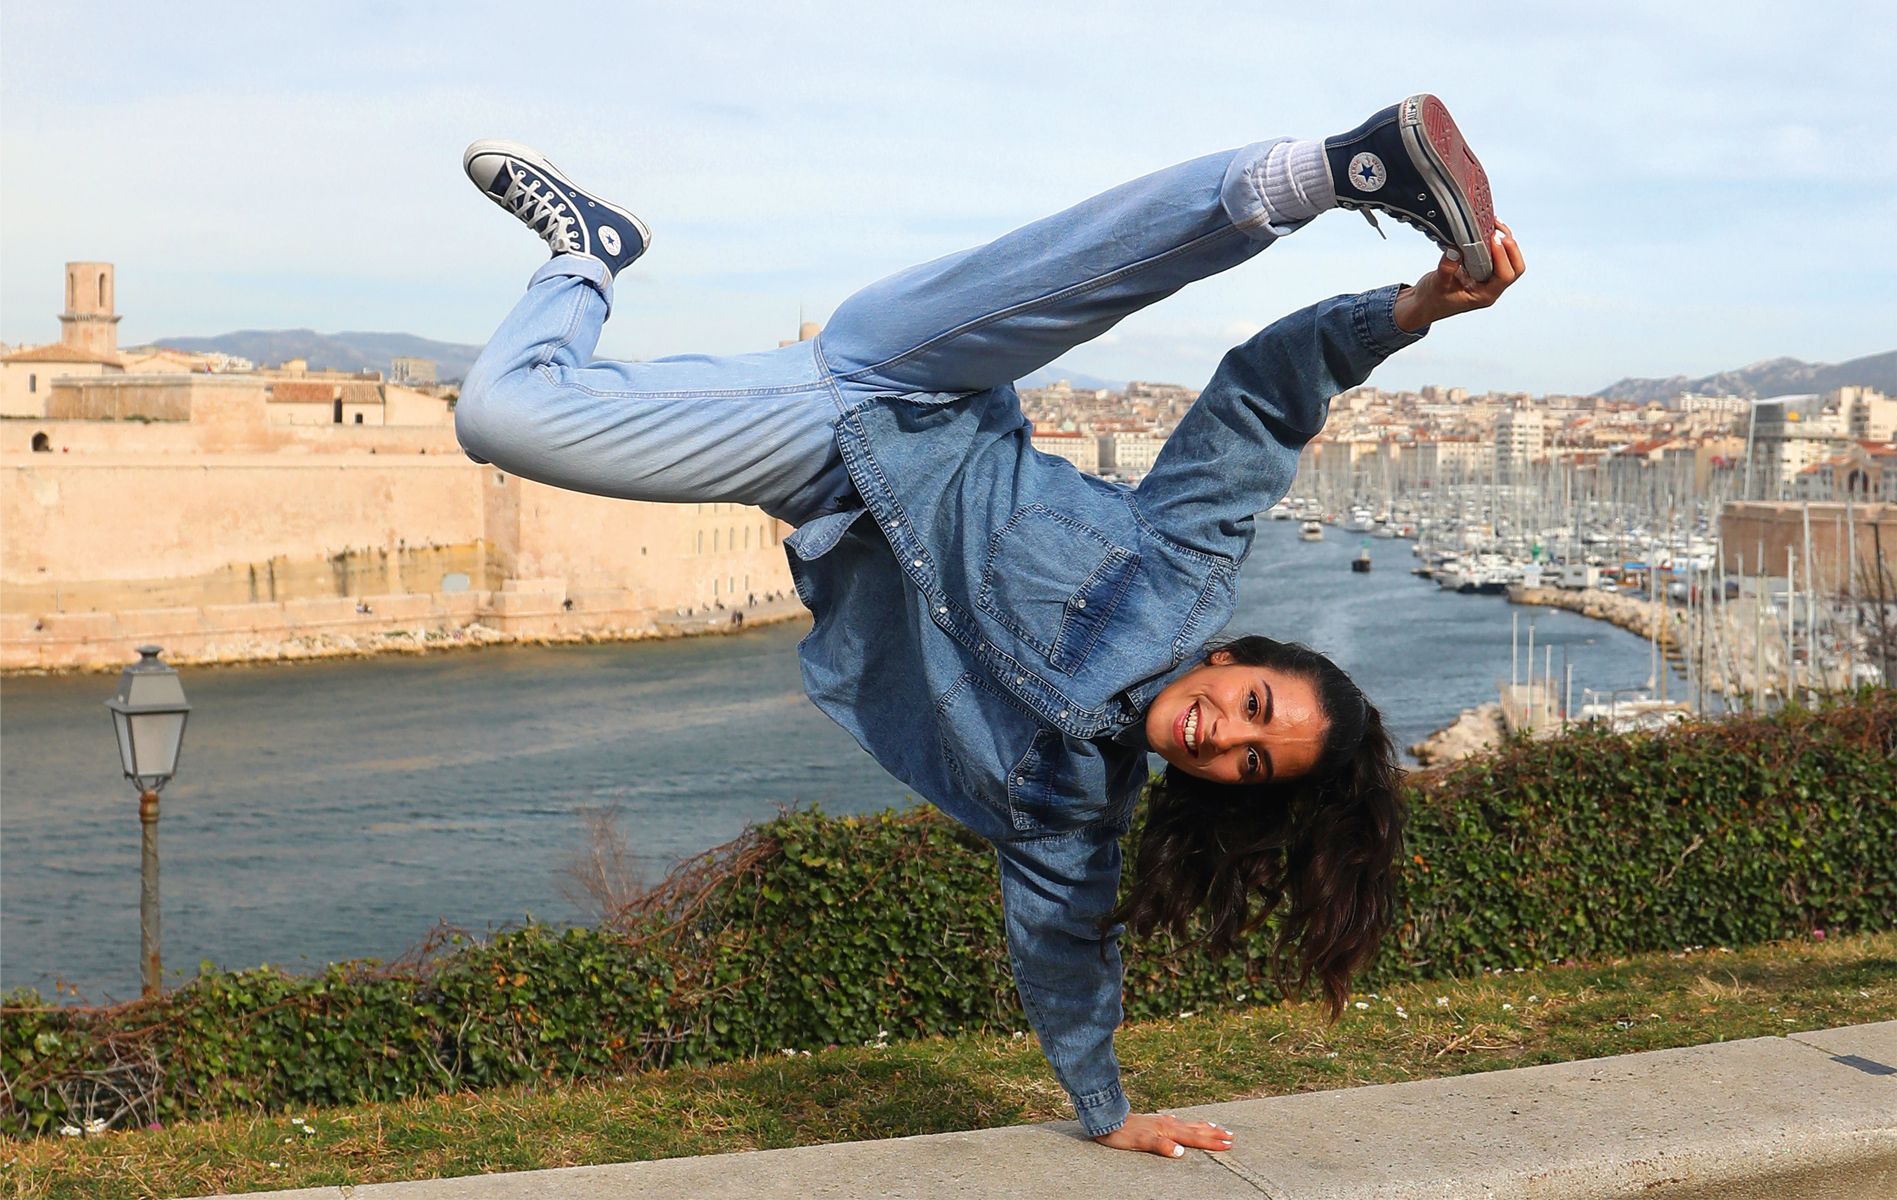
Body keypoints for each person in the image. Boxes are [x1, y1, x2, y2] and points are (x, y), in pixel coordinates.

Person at [455, 94, 1524, 1159]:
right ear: (1231, 658)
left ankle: (586, 253)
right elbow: (1258, 399)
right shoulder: (1182, 571)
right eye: (1252, 708)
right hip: (923, 381)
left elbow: (1064, 953)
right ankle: (1338, 170)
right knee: (1087, 272)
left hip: (819, 466)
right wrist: (1409, 312)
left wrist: (1105, 1111)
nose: (1223, 736)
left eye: (1249, 764)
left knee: (498, 417)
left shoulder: (1065, 807)